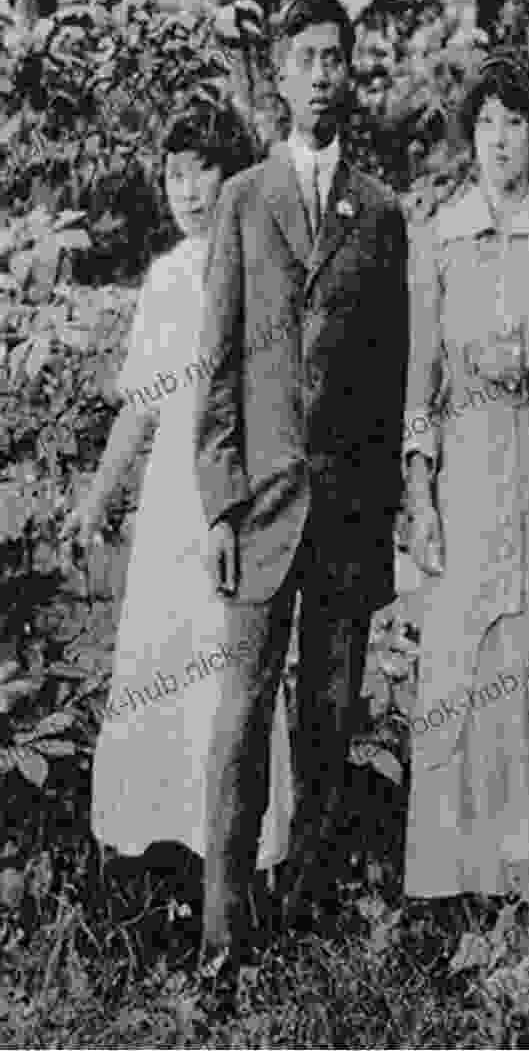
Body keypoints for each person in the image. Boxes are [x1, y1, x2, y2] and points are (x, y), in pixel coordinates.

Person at [193, 0, 409, 989]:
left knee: (326, 722)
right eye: (306, 59)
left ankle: (307, 921)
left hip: (347, 519)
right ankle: (224, 943)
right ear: (278, 76)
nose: (324, 76)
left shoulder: (383, 213)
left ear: (350, 71)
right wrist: (223, 503)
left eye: (337, 57)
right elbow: (220, 365)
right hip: (263, 513)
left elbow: (388, 376)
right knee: (241, 725)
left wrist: (382, 522)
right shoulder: (242, 199)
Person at [60, 97, 294, 921]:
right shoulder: (164, 277)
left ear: (235, 178)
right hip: (169, 500)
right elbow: (141, 408)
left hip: (237, 492)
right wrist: (95, 502)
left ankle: (241, 874)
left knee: (231, 676)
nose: (190, 191)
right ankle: (160, 873)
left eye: (205, 173)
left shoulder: (264, 265)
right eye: (175, 175)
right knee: (164, 667)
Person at [403, 49, 529, 904]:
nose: (498, 139)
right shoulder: (439, 240)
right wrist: (418, 492)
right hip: (465, 466)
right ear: (468, 135)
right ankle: (462, 875)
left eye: (514, 122)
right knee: (465, 659)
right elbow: (417, 382)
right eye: (485, 123)